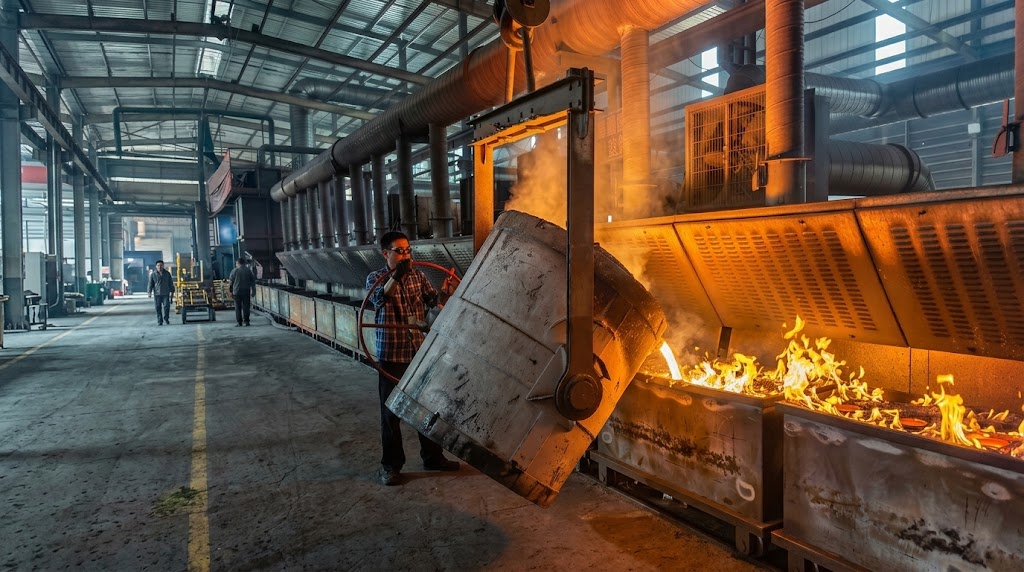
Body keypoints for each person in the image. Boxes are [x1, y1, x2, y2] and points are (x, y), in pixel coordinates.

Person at [366, 231, 459, 486]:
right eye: (399, 251)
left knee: (426, 408)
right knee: (390, 414)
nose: (406, 255)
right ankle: (391, 466)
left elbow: (434, 304)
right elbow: (380, 299)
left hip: (418, 352)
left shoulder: (419, 276)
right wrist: (397, 275)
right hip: (392, 355)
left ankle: (433, 457)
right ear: (385, 253)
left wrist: (446, 293)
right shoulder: (375, 278)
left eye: (408, 250)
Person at [227, 258, 256, 327]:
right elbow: (252, 281)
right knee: (246, 307)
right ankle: (247, 322)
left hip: (237, 292)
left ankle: (239, 322)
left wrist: (230, 291)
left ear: (238, 263)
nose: (236, 265)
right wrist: (253, 290)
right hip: (246, 291)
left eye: (236, 263)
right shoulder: (248, 271)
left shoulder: (234, 271)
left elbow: (231, 283)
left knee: (238, 308)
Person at [147, 260, 174, 326]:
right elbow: (150, 284)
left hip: (165, 293)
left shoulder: (167, 274)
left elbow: (170, 283)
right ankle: (160, 320)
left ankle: (166, 318)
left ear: (163, 266)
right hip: (157, 294)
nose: (159, 267)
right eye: (158, 265)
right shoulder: (153, 274)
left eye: (161, 265)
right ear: (156, 266)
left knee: (166, 306)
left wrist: (172, 291)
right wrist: (149, 292)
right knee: (158, 307)